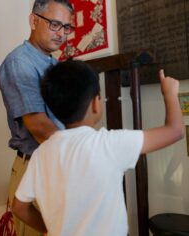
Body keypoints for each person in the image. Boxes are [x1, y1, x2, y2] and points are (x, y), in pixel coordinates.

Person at [12, 59, 184, 236]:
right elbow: (175, 131)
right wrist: (169, 93)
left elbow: (19, 208)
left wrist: (49, 229)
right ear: (95, 103)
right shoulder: (108, 144)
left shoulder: (41, 153)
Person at [0, 0, 75, 236]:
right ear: (33, 21)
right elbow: (40, 127)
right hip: (35, 166)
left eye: (66, 27)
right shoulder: (19, 62)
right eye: (54, 24)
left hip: (57, 164)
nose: (61, 33)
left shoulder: (53, 65)